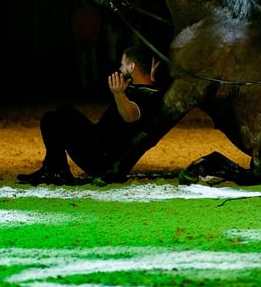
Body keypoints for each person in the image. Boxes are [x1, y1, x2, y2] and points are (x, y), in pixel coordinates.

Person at [17, 44, 163, 185]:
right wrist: (152, 78)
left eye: (123, 64)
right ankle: (55, 168)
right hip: (100, 142)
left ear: (132, 67)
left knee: (51, 119)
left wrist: (118, 94)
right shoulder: (150, 89)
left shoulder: (144, 96)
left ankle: (55, 171)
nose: (120, 68)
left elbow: (130, 116)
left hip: (101, 157)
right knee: (64, 110)